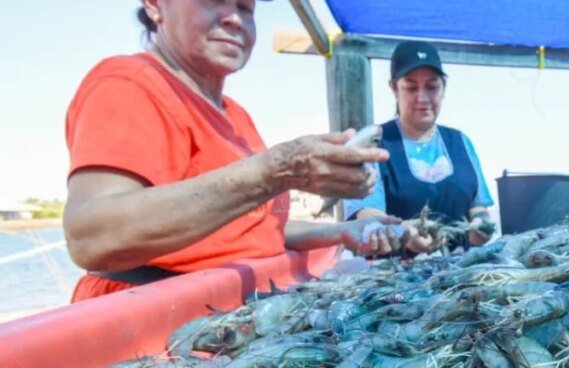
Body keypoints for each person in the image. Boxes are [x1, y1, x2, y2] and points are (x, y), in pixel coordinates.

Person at [63, 0, 402, 302]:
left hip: (243, 310)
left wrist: (343, 232)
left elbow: (255, 228)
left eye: (245, 7)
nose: (234, 19)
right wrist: (276, 171)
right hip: (154, 325)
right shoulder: (129, 83)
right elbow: (92, 237)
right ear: (154, 4)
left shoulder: (236, 116)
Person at [344, 40, 495, 252]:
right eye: (411, 87)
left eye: (432, 87)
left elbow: (478, 207)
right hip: (393, 275)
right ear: (394, 89)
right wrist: (402, 233)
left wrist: (481, 226)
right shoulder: (374, 143)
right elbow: (365, 213)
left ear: (444, 88)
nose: (422, 98)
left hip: (459, 272)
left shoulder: (461, 142)